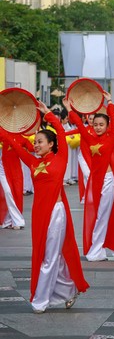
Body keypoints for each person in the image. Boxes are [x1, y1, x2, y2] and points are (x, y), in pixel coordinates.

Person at [0, 101, 89, 313]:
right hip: (39, 215)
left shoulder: (60, 159)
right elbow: (11, 141)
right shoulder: (33, 162)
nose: (36, 145)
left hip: (56, 215)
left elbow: (59, 129)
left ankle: (40, 301)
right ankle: (68, 290)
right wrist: (4, 123)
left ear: (51, 144)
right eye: (35, 142)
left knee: (49, 257)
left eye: (40, 142)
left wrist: (48, 113)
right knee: (50, 256)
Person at [65, 94, 114, 261]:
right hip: (95, 181)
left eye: (101, 125)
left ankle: (96, 250)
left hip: (108, 181)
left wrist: (110, 102)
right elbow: (78, 125)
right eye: (95, 124)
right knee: (104, 214)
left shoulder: (112, 137)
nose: (97, 127)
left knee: (102, 215)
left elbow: (112, 117)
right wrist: (69, 109)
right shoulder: (90, 138)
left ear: (107, 126)